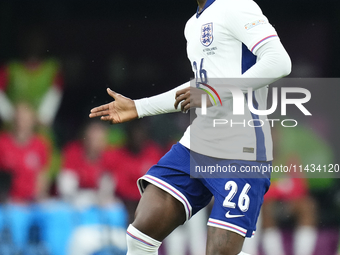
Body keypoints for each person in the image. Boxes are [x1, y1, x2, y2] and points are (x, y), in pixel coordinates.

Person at [89, 0, 291, 254]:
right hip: (198, 142)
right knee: (140, 233)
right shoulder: (192, 24)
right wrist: (139, 107)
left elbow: (279, 61)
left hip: (242, 148)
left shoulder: (237, 5)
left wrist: (216, 93)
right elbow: (201, 83)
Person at [0, 102, 50, 202]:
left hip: (31, 202)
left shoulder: (40, 145)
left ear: (33, 121)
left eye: (25, 119)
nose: (21, 122)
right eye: (19, 118)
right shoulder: (2, 143)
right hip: (7, 201)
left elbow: (42, 176)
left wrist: (38, 198)